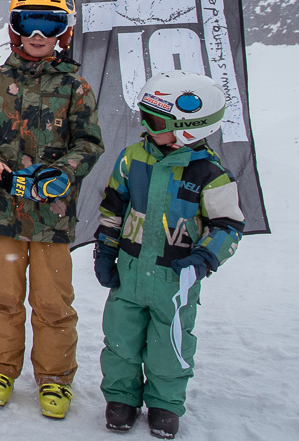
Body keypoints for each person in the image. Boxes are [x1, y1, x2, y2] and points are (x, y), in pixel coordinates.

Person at [0, 0, 104, 419]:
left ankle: (55, 377)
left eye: (50, 24)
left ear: (65, 31)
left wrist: (65, 172)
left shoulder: (75, 88)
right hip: (3, 212)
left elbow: (89, 143)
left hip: (51, 218)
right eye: (29, 23)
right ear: (15, 28)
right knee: (2, 297)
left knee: (52, 302)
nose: (38, 34)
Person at [95, 71, 243, 440]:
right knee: (120, 338)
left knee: (170, 343)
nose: (145, 126)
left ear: (189, 129)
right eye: (144, 116)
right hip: (130, 270)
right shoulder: (132, 158)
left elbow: (228, 226)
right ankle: (122, 397)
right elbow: (113, 206)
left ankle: (165, 403)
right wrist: (106, 249)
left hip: (175, 278)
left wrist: (203, 259)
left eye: (156, 121)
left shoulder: (211, 173)